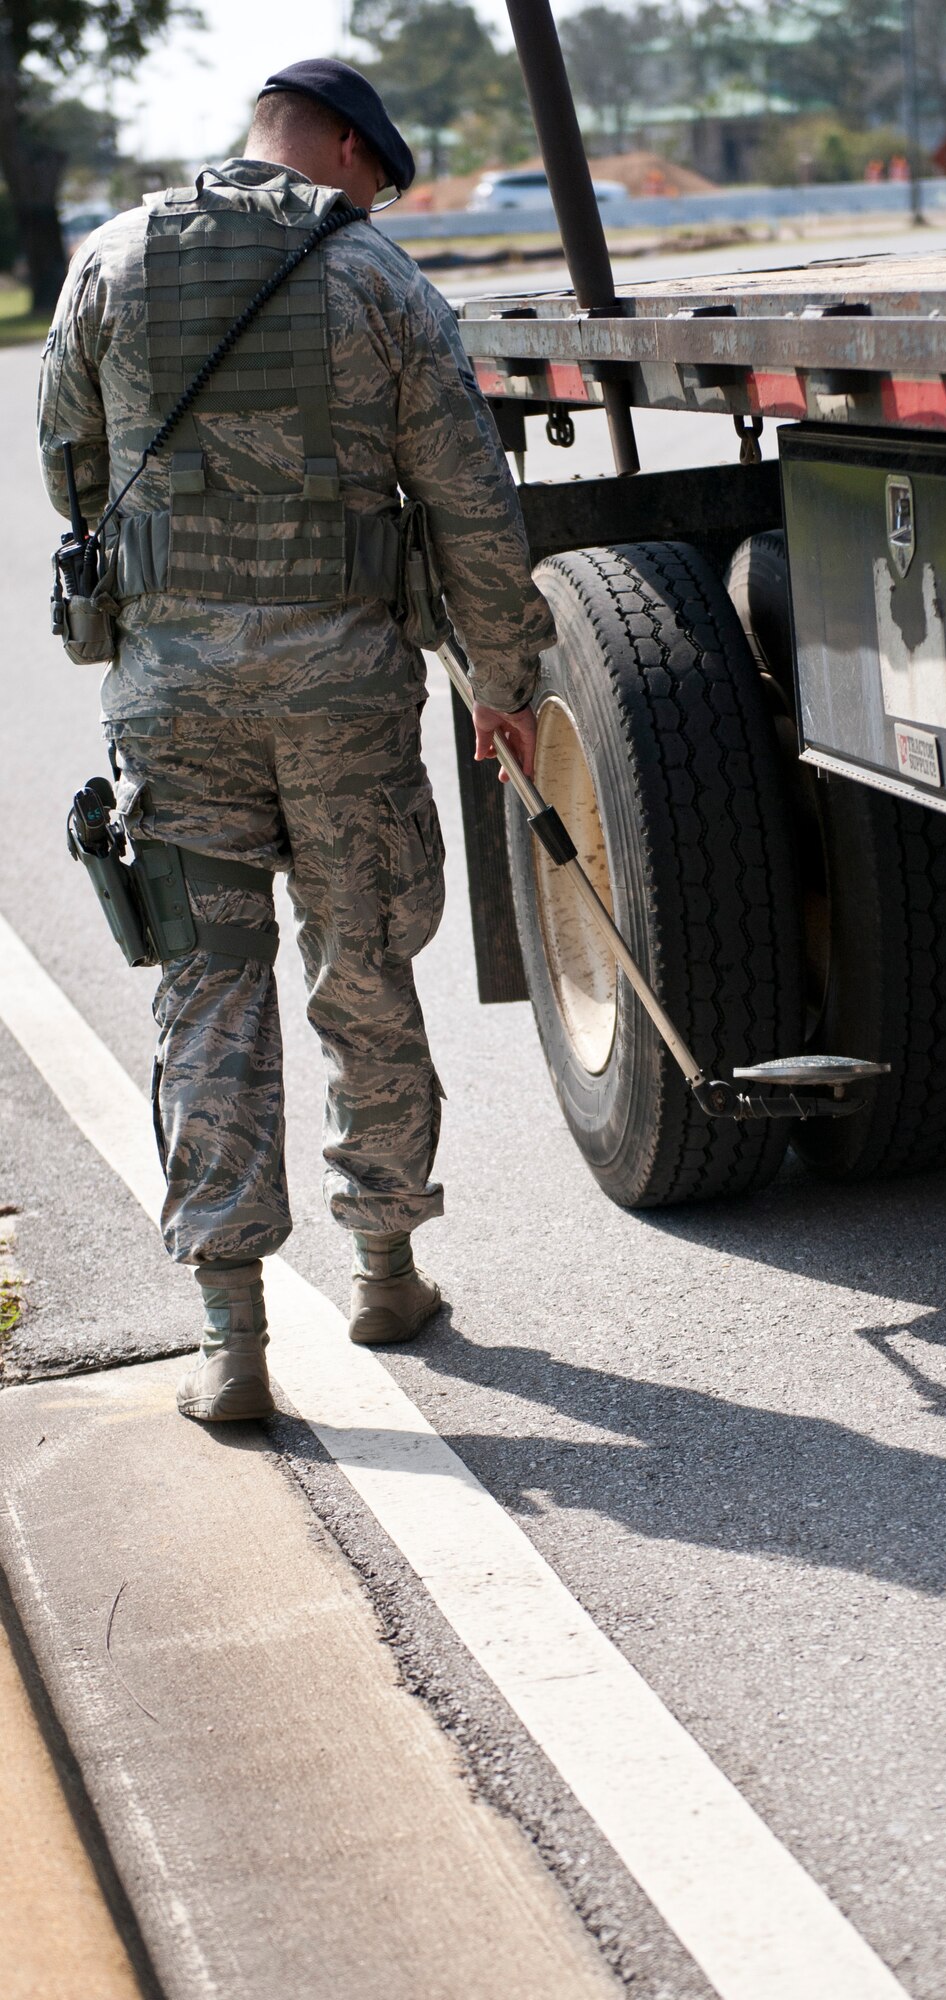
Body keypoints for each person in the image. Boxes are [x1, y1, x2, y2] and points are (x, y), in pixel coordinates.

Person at [37, 59, 556, 1421]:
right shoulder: (380, 282)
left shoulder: (108, 260)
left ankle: (232, 1340)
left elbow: (69, 464)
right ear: (335, 145)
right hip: (344, 693)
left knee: (205, 993)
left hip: (177, 701)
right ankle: (386, 1270)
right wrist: (500, 675)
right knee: (364, 967)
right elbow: (470, 504)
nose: (373, 197)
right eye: (373, 172)